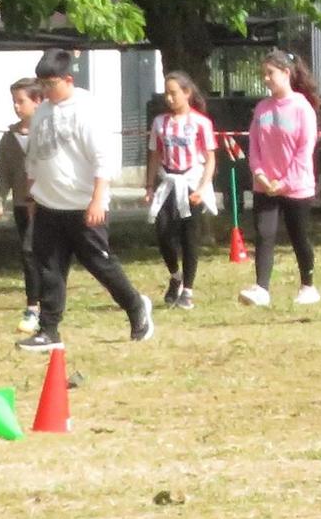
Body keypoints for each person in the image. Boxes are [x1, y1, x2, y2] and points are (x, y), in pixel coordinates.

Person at [19, 48, 155, 351]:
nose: (46, 91)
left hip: (82, 205)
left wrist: (97, 199)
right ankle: (49, 331)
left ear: (68, 79)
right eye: (41, 85)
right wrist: (32, 194)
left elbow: (102, 158)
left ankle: (137, 308)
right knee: (49, 268)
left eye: (51, 84)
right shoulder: (42, 111)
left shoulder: (86, 109)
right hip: (48, 205)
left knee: (100, 265)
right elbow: (35, 156)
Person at [239, 50, 321, 307]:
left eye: (270, 73)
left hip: (296, 187)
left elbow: (304, 149)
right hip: (264, 186)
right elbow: (254, 144)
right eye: (263, 74)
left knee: (299, 236)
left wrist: (285, 182)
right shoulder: (262, 108)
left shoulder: (302, 108)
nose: (265, 79)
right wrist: (260, 174)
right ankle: (261, 288)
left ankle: (308, 285)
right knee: (264, 234)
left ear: (286, 74)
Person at [145, 71, 218, 310]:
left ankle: (188, 290)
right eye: (166, 93)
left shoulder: (201, 123)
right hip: (168, 182)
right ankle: (175, 276)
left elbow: (210, 158)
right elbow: (155, 155)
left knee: (189, 237)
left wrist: (202, 187)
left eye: (173, 93)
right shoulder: (159, 123)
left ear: (186, 93)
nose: (169, 98)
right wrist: (148, 185)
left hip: (191, 182)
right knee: (163, 231)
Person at [0, 77, 43, 332]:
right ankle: (34, 307)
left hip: (48, 206)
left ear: (38, 101)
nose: (17, 106)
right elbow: (4, 177)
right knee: (28, 254)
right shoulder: (9, 139)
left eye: (21, 101)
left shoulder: (49, 131)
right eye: (14, 101)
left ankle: (42, 305)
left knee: (41, 255)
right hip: (21, 206)